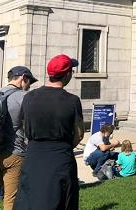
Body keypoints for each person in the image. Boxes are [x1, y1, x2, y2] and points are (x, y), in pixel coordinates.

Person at [14, 54, 84, 210]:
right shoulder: (72, 100)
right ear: (67, 74)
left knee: (30, 199)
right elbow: (79, 133)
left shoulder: (29, 97)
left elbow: (25, 127)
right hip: (60, 156)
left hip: (34, 155)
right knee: (60, 199)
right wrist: (64, 147)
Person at [0, 66, 37, 210]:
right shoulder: (24, 97)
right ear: (23, 78)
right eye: (29, 82)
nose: (29, 86)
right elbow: (31, 126)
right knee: (11, 200)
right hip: (14, 154)